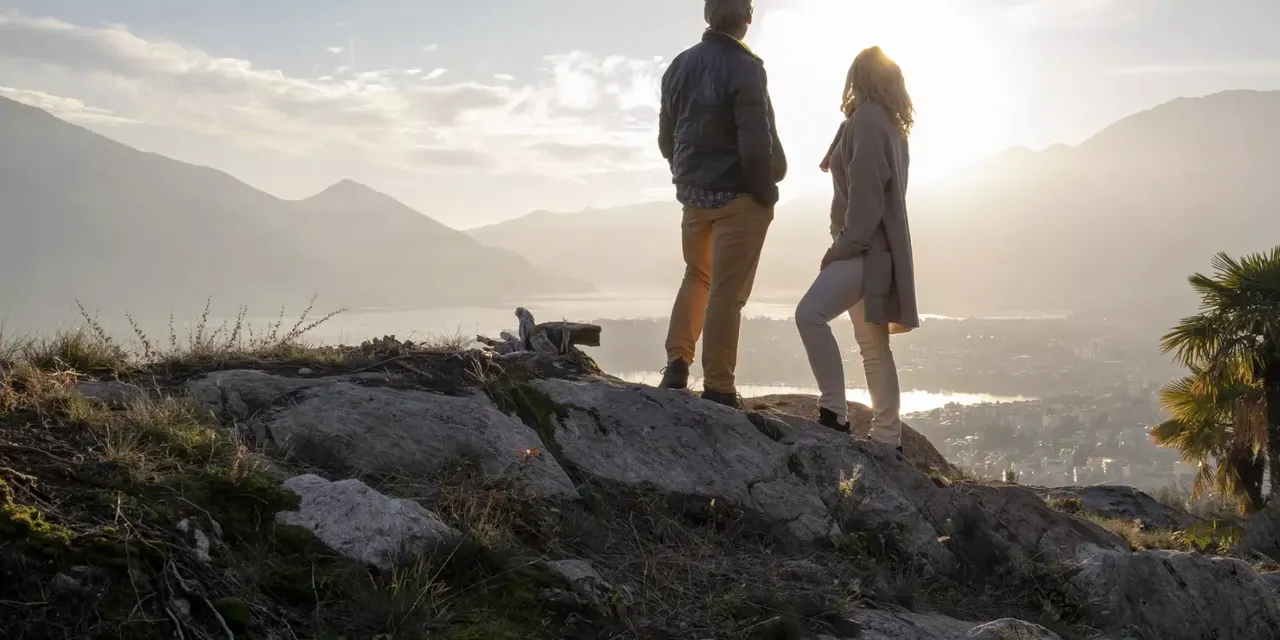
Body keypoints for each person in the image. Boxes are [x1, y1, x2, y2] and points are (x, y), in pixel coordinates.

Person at [655, 0, 787, 408]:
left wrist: (689, 173)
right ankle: (718, 387)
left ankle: (677, 362)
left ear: (708, 15)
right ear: (747, 18)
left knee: (697, 275)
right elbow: (755, 139)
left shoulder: (678, 65)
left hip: (693, 196)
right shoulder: (747, 67)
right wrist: (766, 191)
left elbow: (666, 138)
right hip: (739, 197)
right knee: (727, 294)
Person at [795, 46, 917, 450]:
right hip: (883, 253)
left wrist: (842, 247)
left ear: (858, 79)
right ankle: (887, 438)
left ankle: (833, 413)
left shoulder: (865, 120)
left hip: (864, 248)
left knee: (809, 315)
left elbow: (865, 198)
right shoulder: (891, 126)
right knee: (873, 347)